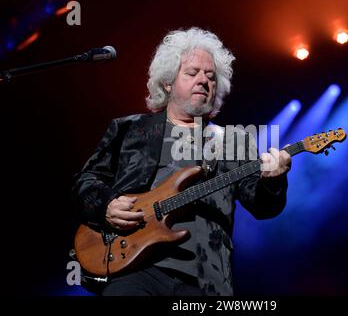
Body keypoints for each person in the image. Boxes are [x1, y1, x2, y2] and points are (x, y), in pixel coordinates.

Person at [72, 27, 291, 296]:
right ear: (167, 82)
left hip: (206, 277)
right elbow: (86, 181)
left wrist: (274, 179)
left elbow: (263, 207)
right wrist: (106, 206)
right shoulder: (130, 129)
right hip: (134, 270)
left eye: (211, 77)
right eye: (192, 73)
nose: (204, 81)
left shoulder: (234, 140)